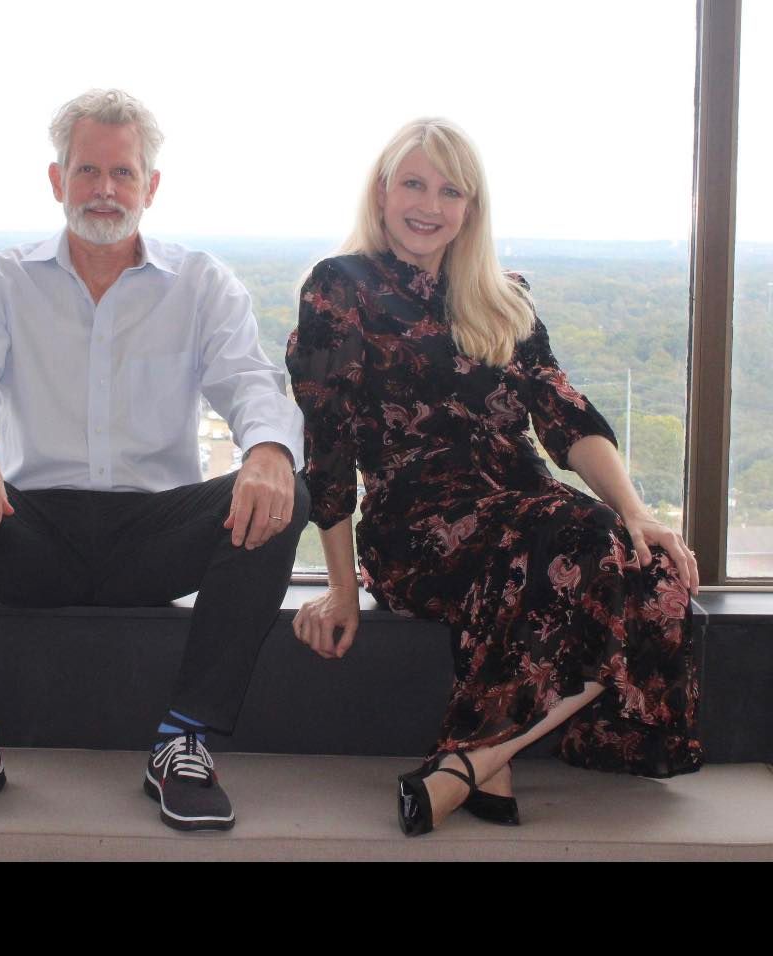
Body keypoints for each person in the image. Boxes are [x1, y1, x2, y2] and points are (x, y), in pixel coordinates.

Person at [0, 89, 308, 833]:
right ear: (56, 180)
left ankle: (184, 739)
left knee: (288, 488)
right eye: (86, 170)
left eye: (122, 173)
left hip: (153, 535)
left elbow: (252, 382)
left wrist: (268, 451)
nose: (103, 190)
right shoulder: (2, 278)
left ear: (150, 187)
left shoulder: (200, 283)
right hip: (35, 527)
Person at [286, 118, 701, 837]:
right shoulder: (339, 287)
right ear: (383, 192)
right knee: (579, 537)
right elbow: (327, 446)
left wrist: (636, 510)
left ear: (470, 209)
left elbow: (566, 415)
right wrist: (342, 589)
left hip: (532, 515)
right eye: (413, 183)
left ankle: (472, 761)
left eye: (451, 190)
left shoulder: (506, 296)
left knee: (656, 574)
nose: (430, 204)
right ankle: (482, 759)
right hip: (418, 530)